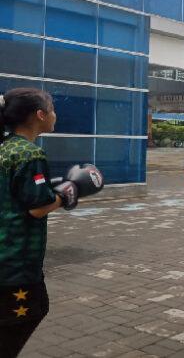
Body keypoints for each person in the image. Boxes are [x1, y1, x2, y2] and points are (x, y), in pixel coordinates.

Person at [0, 88, 103, 357]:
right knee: (27, 314)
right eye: (52, 109)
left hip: (4, 251)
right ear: (40, 115)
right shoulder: (30, 154)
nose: (56, 115)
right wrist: (70, 192)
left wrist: (53, 187)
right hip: (16, 259)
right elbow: (37, 208)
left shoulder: (5, 147)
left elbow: (17, 193)